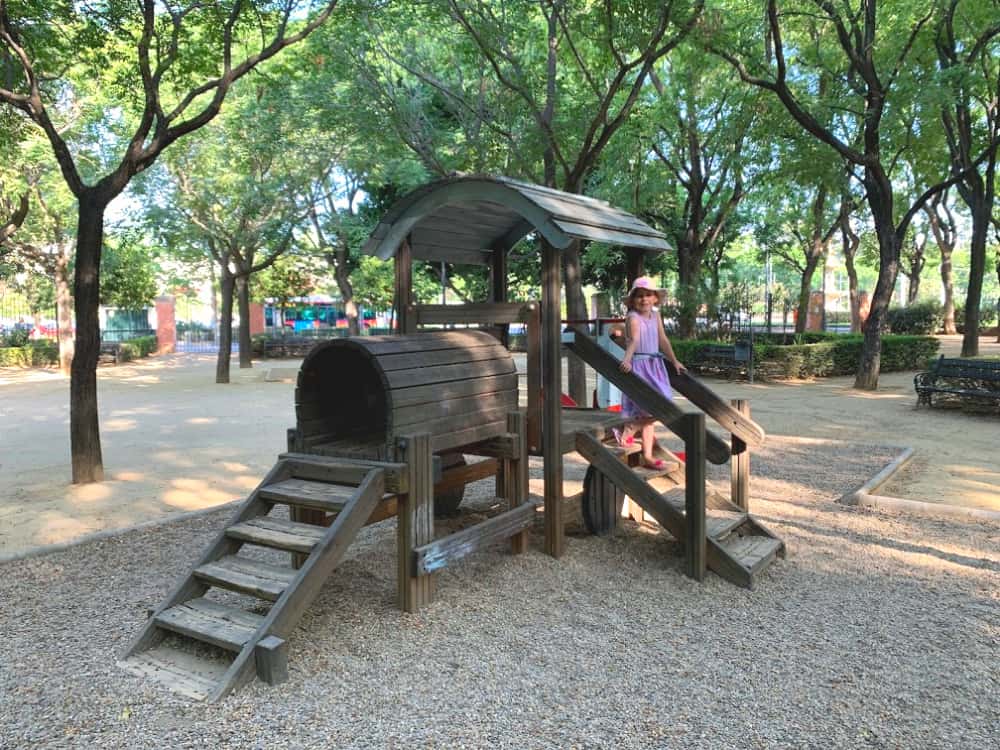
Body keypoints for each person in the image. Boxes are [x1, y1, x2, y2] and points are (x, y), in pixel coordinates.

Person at [616, 277, 686, 469]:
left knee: (660, 406)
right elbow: (634, 340)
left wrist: (674, 360)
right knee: (654, 407)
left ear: (655, 298)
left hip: (655, 364)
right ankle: (634, 429)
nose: (644, 299)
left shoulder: (655, 315)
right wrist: (627, 360)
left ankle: (645, 451)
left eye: (648, 295)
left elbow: (663, 339)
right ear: (632, 300)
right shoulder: (632, 317)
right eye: (639, 296)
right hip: (640, 364)